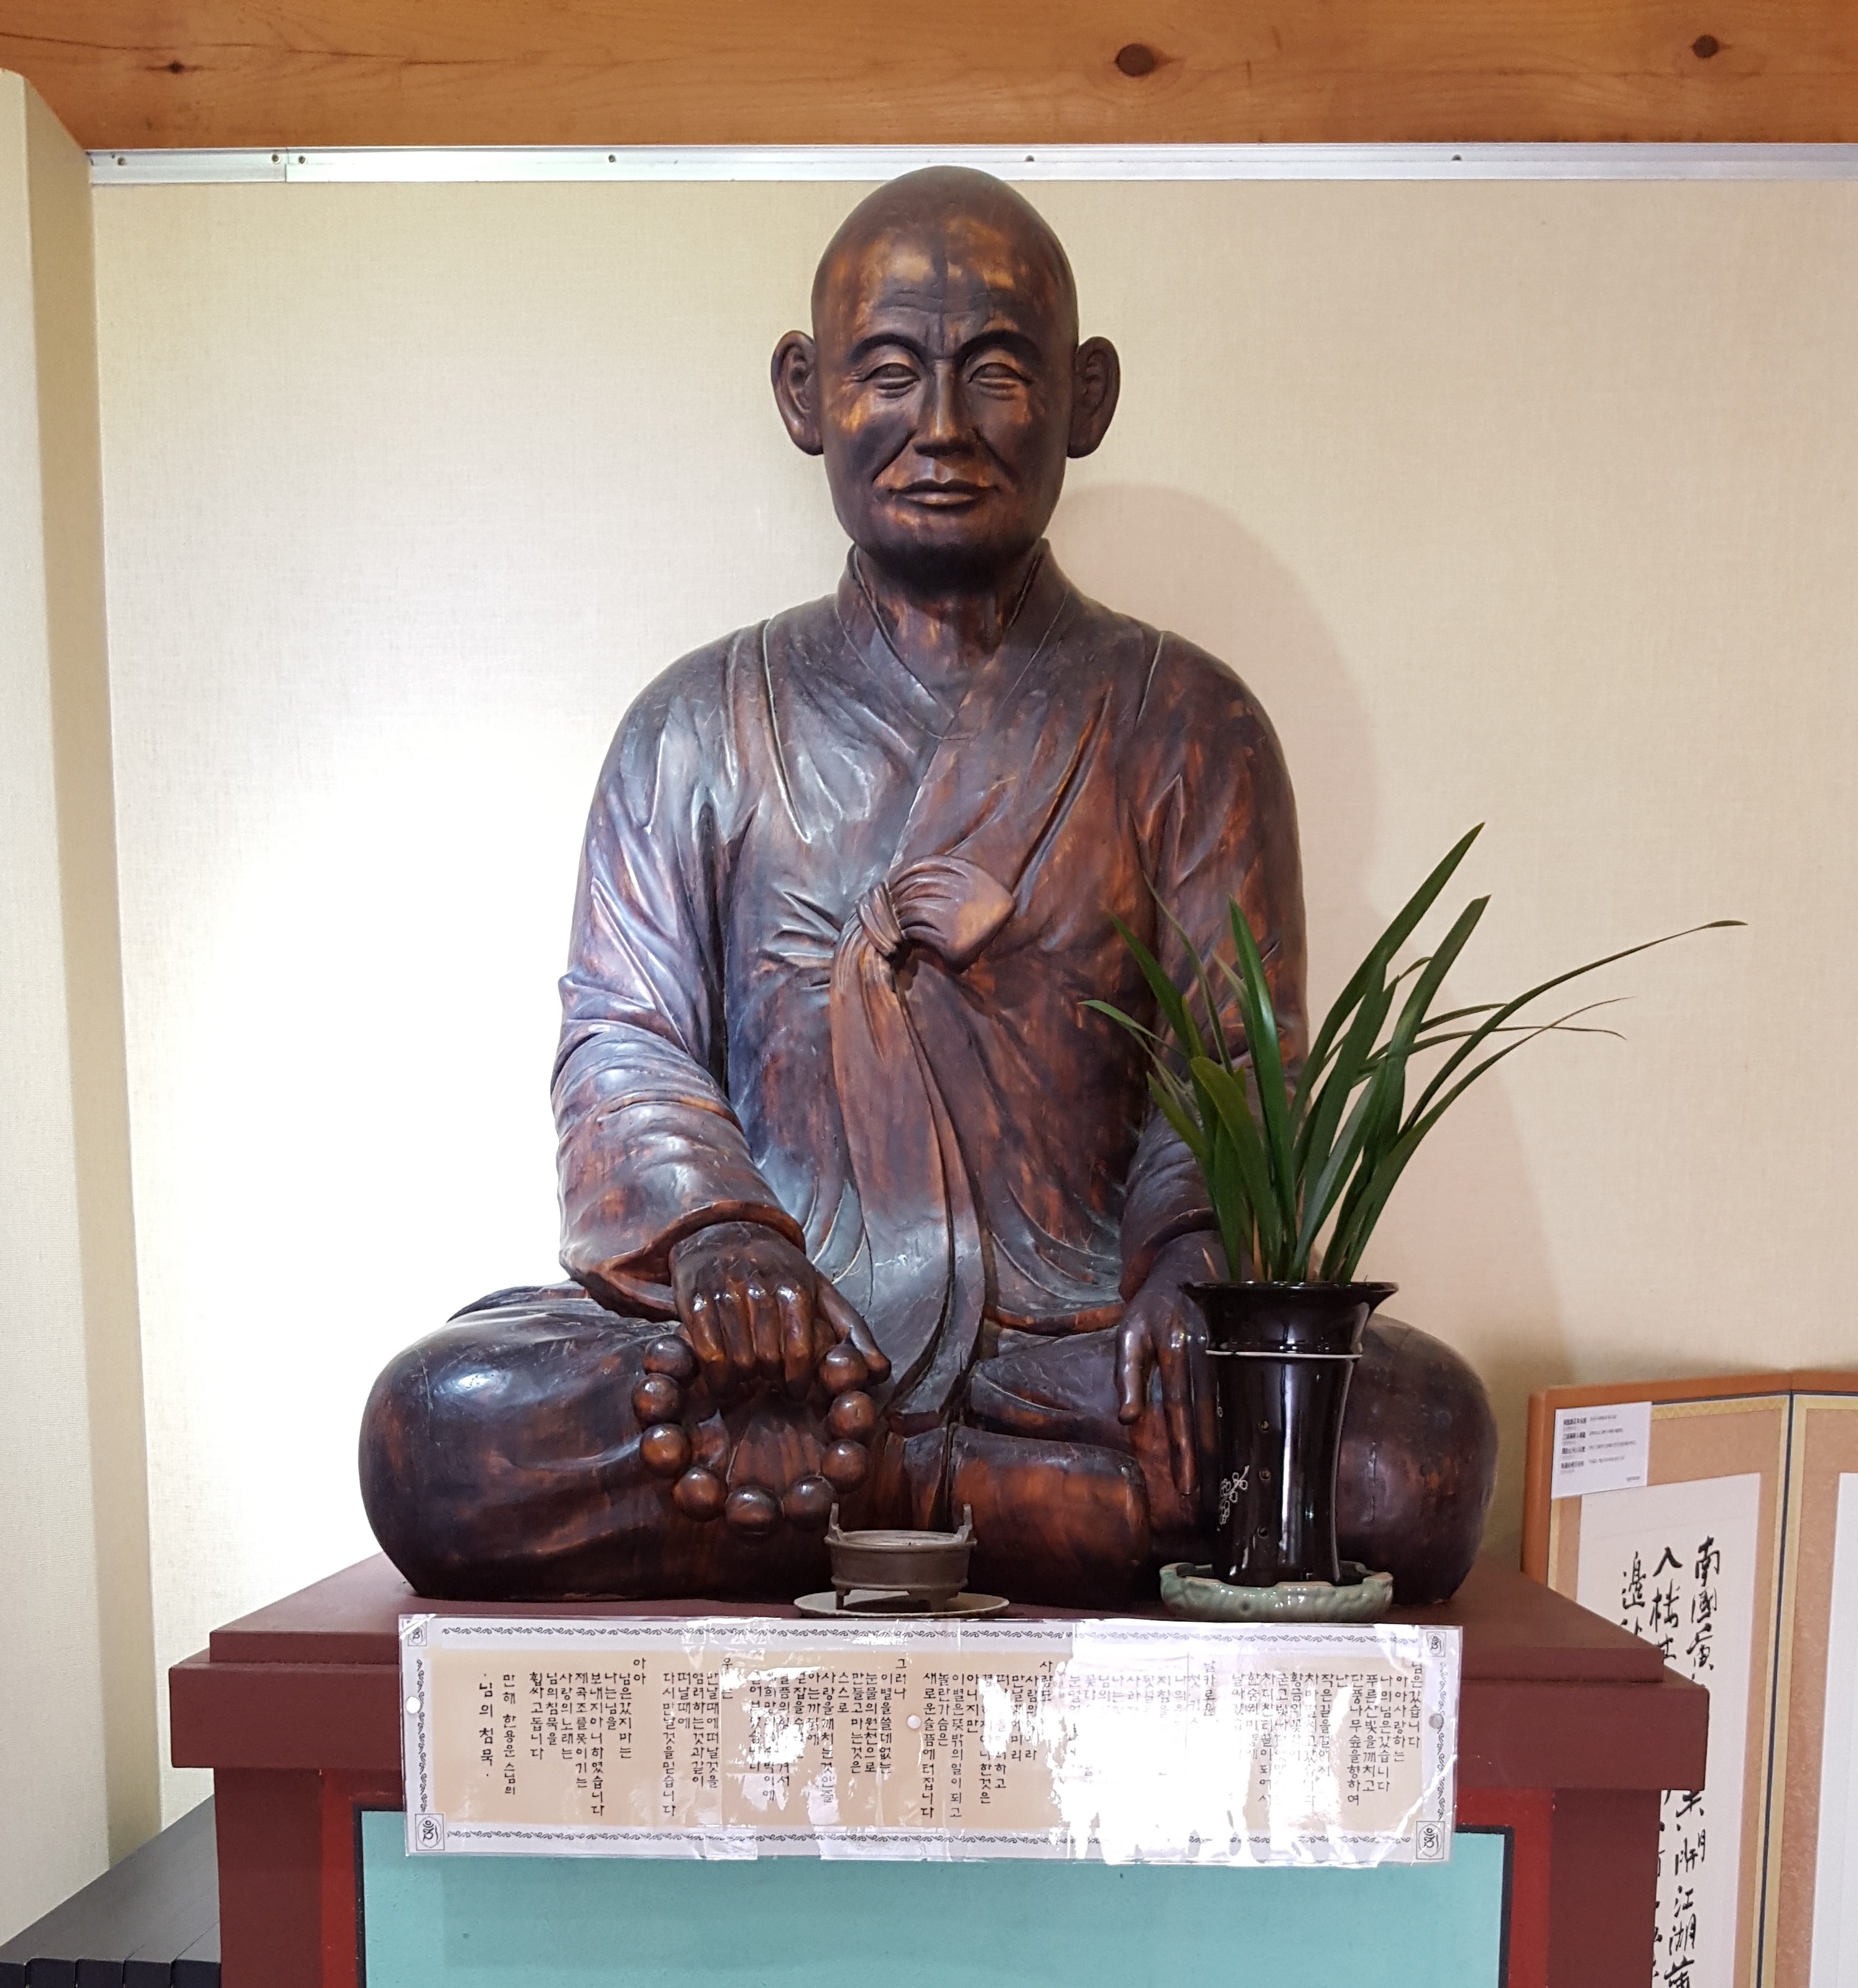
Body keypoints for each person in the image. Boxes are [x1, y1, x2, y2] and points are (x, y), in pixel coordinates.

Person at [361, 166, 1489, 1603]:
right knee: (438, 1430)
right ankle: (988, 1500)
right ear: (804, 392)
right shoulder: (694, 727)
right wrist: (720, 1238)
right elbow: (620, 1043)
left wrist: (1186, 1269)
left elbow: (1230, 1071)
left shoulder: (1186, 722)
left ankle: (832, 1492)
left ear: (1086, 397)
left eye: (997, 374)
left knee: (1413, 1451)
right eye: (889, 372)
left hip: (1069, 1347)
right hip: (771, 1347)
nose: (940, 426)